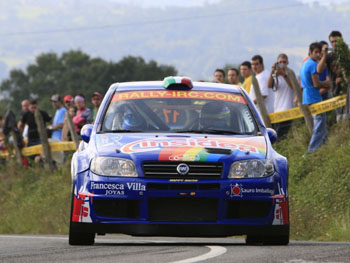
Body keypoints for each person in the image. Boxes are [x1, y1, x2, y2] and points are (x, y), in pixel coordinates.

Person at [300, 42, 331, 153]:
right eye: (316, 52)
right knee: (319, 125)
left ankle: (326, 146)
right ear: (310, 52)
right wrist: (327, 83)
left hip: (306, 97)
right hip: (314, 97)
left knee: (321, 124)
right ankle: (311, 151)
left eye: (319, 52)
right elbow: (316, 84)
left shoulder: (305, 64)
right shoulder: (312, 65)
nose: (318, 55)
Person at [318, 30, 347, 121]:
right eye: (332, 42)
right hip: (336, 90)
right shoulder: (330, 56)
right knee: (340, 117)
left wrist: (343, 78)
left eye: (336, 41)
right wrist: (324, 55)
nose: (334, 43)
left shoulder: (347, 54)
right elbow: (319, 69)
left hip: (347, 89)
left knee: (346, 116)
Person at [267, 54, 296, 138]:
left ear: (287, 63)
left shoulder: (290, 73)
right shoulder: (275, 75)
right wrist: (273, 71)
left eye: (284, 62)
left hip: (288, 108)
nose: (282, 64)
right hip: (277, 109)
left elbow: (293, 87)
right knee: (277, 134)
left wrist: (284, 75)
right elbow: (269, 85)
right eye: (280, 62)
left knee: (281, 134)